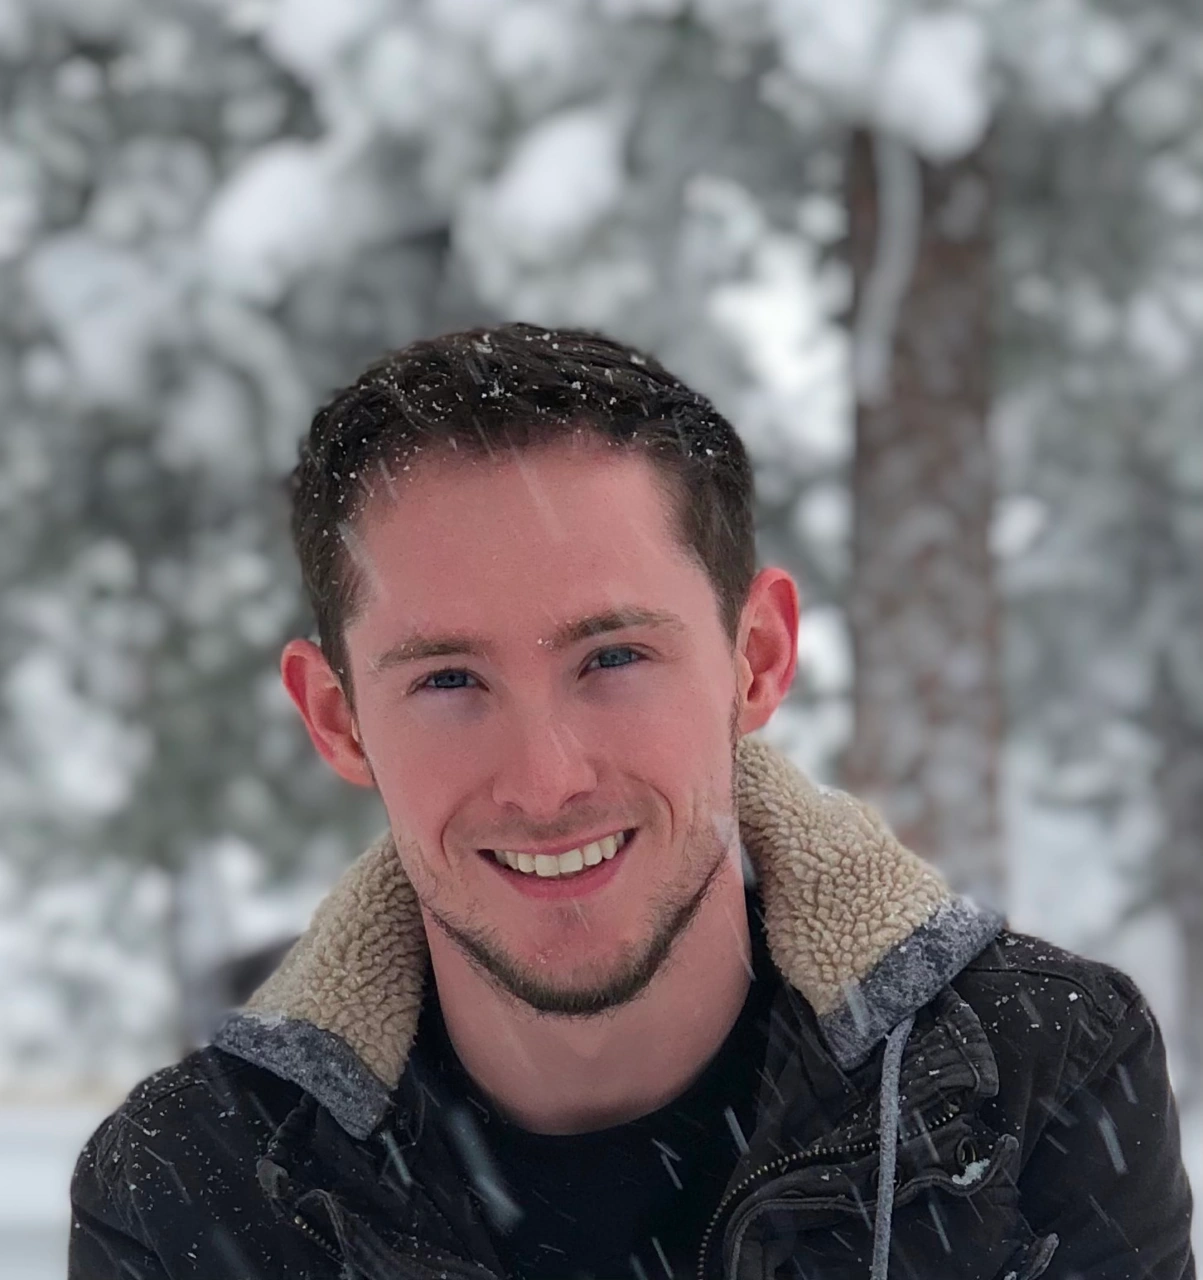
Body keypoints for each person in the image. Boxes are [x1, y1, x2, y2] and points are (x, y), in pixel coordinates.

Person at [70, 324, 1194, 1280]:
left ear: (757, 657)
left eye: (612, 657)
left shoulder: (1034, 1074)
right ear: (337, 717)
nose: (547, 779)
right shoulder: (186, 1187)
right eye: (448, 680)